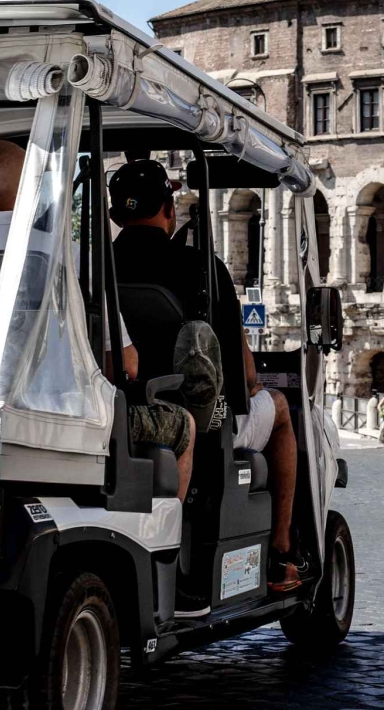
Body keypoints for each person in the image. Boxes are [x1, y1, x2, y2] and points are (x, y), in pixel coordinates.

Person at [0, 142, 199, 500]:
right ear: (35, 190)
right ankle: (171, 547)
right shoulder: (73, 264)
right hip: (58, 425)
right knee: (184, 426)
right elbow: (124, 366)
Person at [108, 159, 305, 594]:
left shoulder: (93, 268)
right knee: (279, 410)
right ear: (169, 208)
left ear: (115, 215)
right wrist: (249, 386)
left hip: (116, 405)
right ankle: (281, 550)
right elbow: (246, 375)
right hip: (199, 418)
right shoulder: (202, 268)